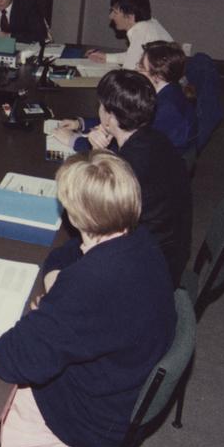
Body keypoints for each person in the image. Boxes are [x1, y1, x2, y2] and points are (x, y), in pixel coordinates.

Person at [0, 150, 175, 447]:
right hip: (120, 384)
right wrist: (57, 288)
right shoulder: (138, 239)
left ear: (76, 217)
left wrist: (50, 309)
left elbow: (12, 360)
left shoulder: (93, 282)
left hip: (92, 417)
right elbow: (66, 254)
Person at [68, 69, 192, 285]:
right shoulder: (154, 138)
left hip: (148, 269)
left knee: (63, 255)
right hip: (170, 249)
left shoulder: (127, 167)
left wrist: (95, 153)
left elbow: (88, 202)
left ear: (108, 116)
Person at [53, 41, 197, 155]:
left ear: (158, 76)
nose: (136, 71)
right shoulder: (167, 93)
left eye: (141, 67)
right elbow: (124, 119)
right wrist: (80, 124)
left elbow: (125, 153)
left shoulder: (164, 110)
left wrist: (74, 141)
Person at [86, 0, 172, 68]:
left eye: (115, 12)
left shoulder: (141, 31)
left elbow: (129, 70)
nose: (111, 16)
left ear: (130, 17)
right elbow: (136, 56)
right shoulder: (150, 24)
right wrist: (106, 57)